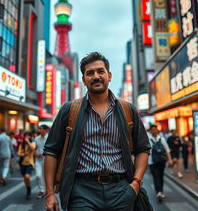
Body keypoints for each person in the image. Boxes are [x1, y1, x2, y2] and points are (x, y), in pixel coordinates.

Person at [43, 52, 150, 211]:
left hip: (121, 189)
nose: (96, 76)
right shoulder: (70, 110)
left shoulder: (127, 109)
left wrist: (135, 183)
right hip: (82, 190)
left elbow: (143, 148)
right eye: (90, 73)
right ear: (84, 80)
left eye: (100, 71)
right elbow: (51, 150)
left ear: (109, 75)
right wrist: (50, 194)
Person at [147, 125, 172, 201]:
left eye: (155, 129)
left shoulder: (162, 139)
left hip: (161, 161)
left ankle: (160, 191)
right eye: (152, 130)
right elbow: (146, 152)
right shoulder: (147, 140)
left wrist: (170, 159)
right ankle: (158, 192)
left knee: (161, 176)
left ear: (157, 130)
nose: (154, 131)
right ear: (150, 131)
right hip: (152, 162)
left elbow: (167, 150)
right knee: (156, 176)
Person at [18, 131, 36, 200]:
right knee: (25, 178)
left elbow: (33, 148)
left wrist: (28, 142)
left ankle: (29, 190)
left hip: (30, 163)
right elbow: (18, 154)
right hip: (22, 163)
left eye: (28, 136)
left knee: (27, 176)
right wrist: (23, 154)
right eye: (26, 136)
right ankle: (28, 188)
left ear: (30, 137)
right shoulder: (22, 145)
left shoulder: (33, 143)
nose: (27, 137)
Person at [34, 125, 49, 199]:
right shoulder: (36, 139)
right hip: (38, 160)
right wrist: (35, 153)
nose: (40, 130)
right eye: (39, 129)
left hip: (47, 160)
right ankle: (41, 190)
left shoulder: (49, 138)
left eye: (41, 129)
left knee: (46, 176)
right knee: (38, 175)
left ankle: (47, 191)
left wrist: (43, 154)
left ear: (46, 130)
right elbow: (34, 148)